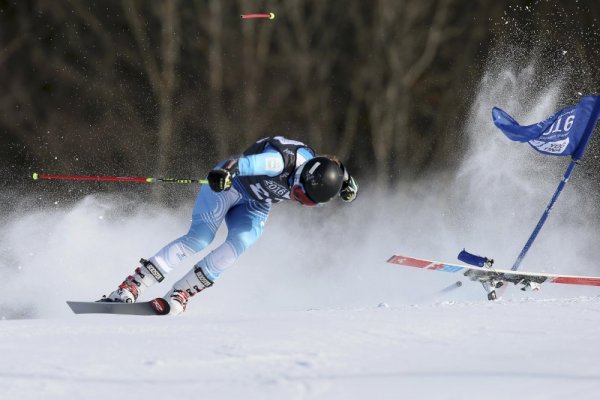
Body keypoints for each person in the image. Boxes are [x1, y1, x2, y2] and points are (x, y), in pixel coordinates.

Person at [101, 136, 359, 315]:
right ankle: (131, 286)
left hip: (256, 203)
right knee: (200, 239)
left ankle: (181, 294)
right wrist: (225, 173)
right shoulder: (281, 162)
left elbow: (337, 168)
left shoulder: (321, 172)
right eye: (300, 192)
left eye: (306, 202)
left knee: (241, 243)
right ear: (304, 175)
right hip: (230, 187)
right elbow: (243, 163)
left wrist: (347, 183)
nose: (296, 198)